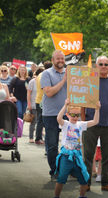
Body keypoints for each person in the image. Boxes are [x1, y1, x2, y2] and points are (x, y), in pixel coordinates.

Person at [82, 55, 108, 192]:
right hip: (90, 124)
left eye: (106, 64)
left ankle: (105, 182)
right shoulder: (89, 81)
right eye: (101, 64)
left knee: (107, 156)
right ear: (96, 66)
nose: (104, 66)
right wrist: (83, 121)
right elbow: (82, 102)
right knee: (87, 155)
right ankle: (86, 182)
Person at [51, 98, 100, 198]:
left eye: (77, 115)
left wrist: (97, 109)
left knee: (85, 177)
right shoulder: (65, 124)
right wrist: (65, 105)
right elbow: (58, 118)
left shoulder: (81, 124)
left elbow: (95, 121)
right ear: (68, 114)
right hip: (66, 155)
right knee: (61, 178)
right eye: (73, 115)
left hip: (77, 156)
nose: (75, 117)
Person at [40, 50, 67, 179]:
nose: (60, 61)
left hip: (69, 114)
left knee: (71, 145)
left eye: (62, 58)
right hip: (51, 114)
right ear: (52, 60)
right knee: (52, 145)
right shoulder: (46, 74)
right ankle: (55, 170)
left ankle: (69, 169)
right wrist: (63, 81)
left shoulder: (70, 73)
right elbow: (49, 92)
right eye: (58, 59)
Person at [35, 62, 52, 145]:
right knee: (41, 121)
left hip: (38, 99)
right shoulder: (45, 75)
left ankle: (38, 137)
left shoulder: (40, 74)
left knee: (40, 120)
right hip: (42, 101)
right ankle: (38, 138)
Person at [27, 68, 41, 143]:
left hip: (41, 105)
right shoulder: (32, 82)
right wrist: (29, 103)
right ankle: (31, 137)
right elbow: (28, 93)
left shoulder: (44, 82)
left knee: (40, 122)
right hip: (33, 104)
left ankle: (39, 138)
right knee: (33, 121)